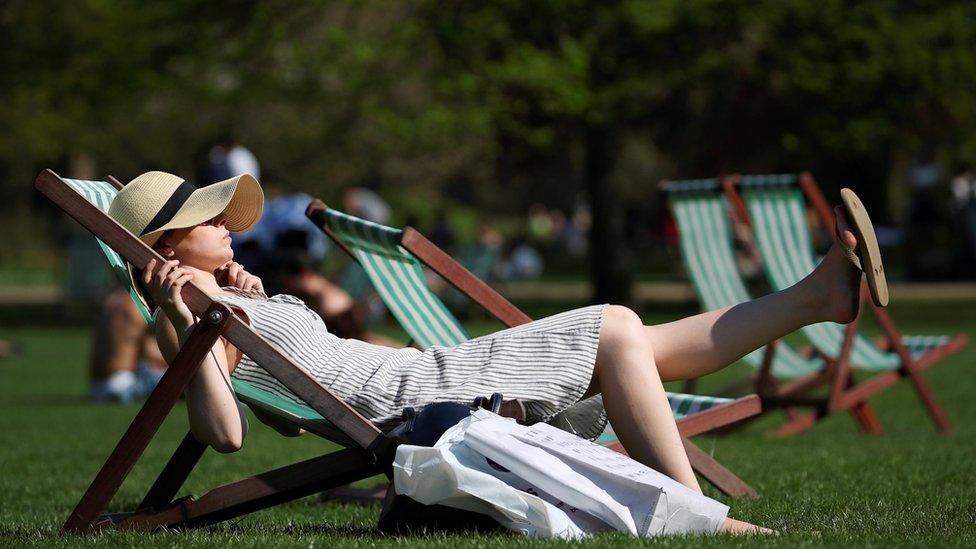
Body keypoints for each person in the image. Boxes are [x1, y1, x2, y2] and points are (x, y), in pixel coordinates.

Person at [108, 171, 883, 535]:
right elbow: (225, 430)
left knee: (633, 344)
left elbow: (281, 412)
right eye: (211, 220)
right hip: (408, 399)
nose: (229, 225)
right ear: (172, 245)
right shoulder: (194, 310)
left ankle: (816, 297)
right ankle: (693, 515)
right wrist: (188, 314)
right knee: (616, 328)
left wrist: (252, 300)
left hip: (407, 373)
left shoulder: (230, 292)